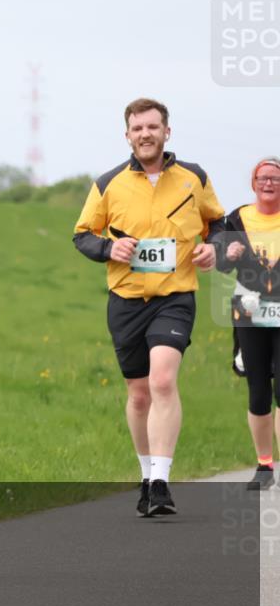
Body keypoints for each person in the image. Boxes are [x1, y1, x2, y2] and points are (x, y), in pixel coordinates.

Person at [73, 97, 225, 517]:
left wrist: (213, 249)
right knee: (139, 395)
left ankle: (161, 482)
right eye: (138, 128)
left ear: (166, 132)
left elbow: (219, 222)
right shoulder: (108, 183)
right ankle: (145, 474)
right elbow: (82, 235)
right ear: (127, 135)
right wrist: (109, 247)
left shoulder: (194, 178)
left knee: (161, 381)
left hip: (175, 297)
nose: (146, 134)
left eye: (153, 127)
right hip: (125, 301)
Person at [218, 157, 280, 490]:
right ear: (253, 183)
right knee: (258, 391)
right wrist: (227, 254)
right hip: (250, 310)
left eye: (275, 178)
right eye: (262, 178)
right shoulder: (237, 218)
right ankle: (264, 466)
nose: (268, 183)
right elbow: (220, 263)